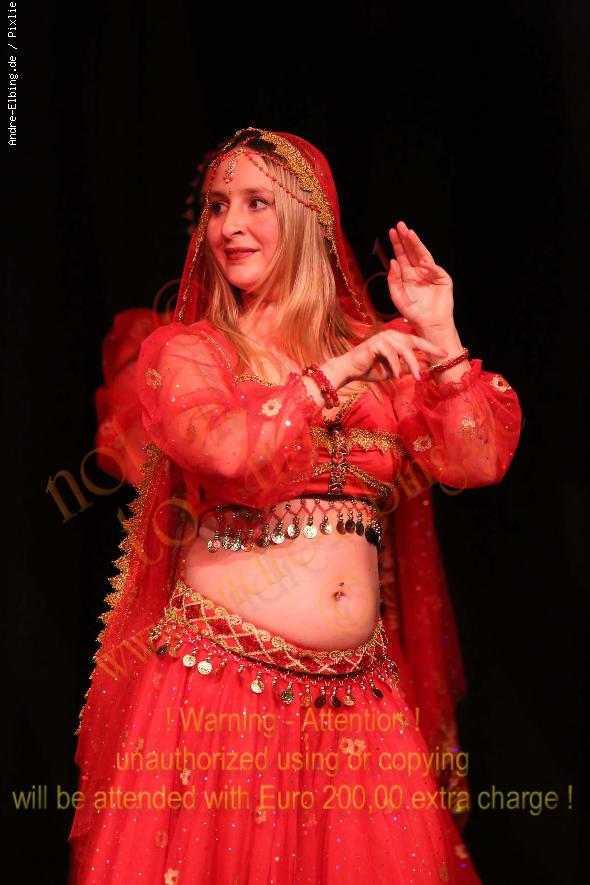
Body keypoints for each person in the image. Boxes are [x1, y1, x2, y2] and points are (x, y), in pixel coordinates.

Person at [69, 126, 521, 884]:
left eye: (256, 203)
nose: (229, 226)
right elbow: (225, 450)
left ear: (310, 218)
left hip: (358, 702)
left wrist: (439, 332)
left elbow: (475, 459)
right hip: (222, 694)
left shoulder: (380, 350)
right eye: (217, 206)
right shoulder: (194, 352)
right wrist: (330, 376)